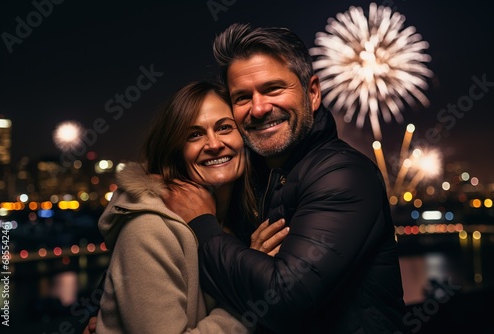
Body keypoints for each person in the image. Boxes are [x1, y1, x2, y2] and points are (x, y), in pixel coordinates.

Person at [160, 23, 408, 333]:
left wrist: (203, 225)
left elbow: (284, 300)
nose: (260, 108)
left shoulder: (343, 175)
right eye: (242, 97)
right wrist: (116, 316)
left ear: (313, 93)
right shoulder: (254, 177)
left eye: (273, 89)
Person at [92, 81, 289, 333]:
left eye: (225, 127)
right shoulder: (149, 229)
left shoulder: (250, 214)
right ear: (176, 150)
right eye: (194, 135)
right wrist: (249, 285)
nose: (214, 144)